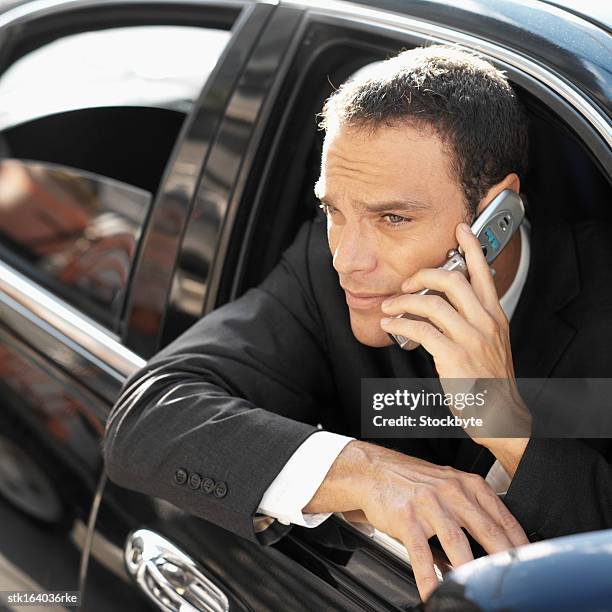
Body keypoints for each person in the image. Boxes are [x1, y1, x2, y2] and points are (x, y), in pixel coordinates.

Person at [103, 45, 612, 601]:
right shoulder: (325, 271)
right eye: (333, 211)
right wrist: (366, 473)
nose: (348, 258)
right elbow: (150, 414)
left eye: (394, 218)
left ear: (498, 215)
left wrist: (504, 421)